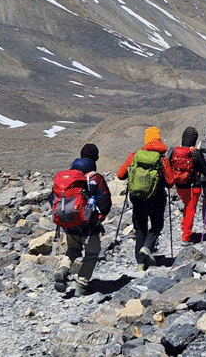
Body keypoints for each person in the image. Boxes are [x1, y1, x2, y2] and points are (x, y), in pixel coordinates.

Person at [53, 143, 111, 297]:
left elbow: (53, 199)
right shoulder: (95, 178)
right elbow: (105, 202)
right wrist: (101, 215)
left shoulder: (68, 178)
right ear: (96, 158)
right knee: (92, 254)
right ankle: (81, 286)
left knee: (72, 249)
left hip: (69, 222)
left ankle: (63, 269)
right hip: (89, 224)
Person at [117, 126, 170, 270]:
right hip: (157, 198)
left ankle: (141, 264)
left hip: (138, 198)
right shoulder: (162, 159)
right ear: (158, 139)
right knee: (157, 225)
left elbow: (120, 175)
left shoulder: (135, 156)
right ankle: (147, 247)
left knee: (140, 228)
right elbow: (170, 182)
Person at [167, 127, 206, 244]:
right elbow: (205, 170)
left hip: (179, 185)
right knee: (191, 209)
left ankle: (185, 228)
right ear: (194, 139)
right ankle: (186, 237)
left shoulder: (175, 151)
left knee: (187, 207)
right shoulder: (195, 152)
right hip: (194, 186)